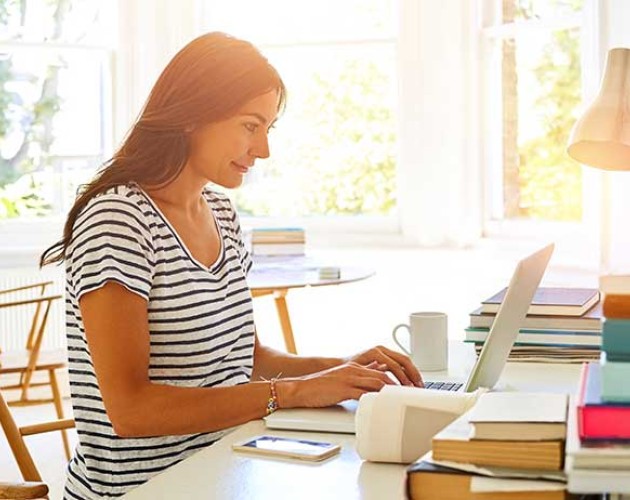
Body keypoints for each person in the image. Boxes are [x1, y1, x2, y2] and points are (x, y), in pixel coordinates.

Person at [40, 32, 423, 499]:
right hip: (146, 490)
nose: (262, 150)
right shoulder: (118, 220)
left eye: (268, 129)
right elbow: (131, 411)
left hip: (227, 468)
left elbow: (250, 361)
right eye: (250, 126)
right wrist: (298, 391)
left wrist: (343, 371)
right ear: (191, 116)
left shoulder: (219, 212)